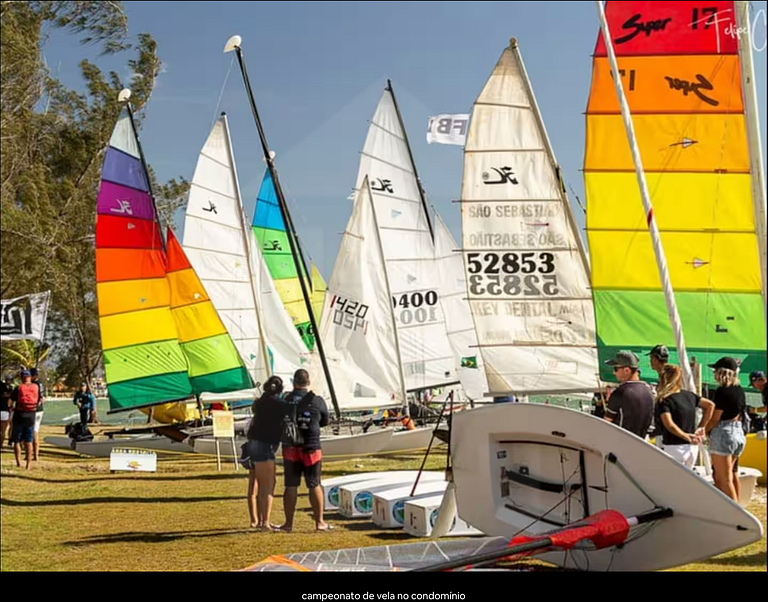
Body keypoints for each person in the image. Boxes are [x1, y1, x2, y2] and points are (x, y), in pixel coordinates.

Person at [278, 370, 333, 533]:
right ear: (308, 382)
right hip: (311, 447)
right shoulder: (317, 400)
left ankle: (288, 524)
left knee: (290, 485)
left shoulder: (285, 400)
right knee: (314, 483)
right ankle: (319, 522)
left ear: (293, 382)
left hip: (290, 447)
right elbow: (324, 420)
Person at [243, 376, 285, 531]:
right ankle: (265, 522)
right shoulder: (280, 404)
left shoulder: (259, 403)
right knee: (268, 485)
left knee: (259, 485)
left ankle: (260, 520)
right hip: (265, 444)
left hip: (253, 443)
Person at [655, 365, 715, 469]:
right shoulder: (690, 395)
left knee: (672, 481)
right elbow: (710, 405)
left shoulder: (664, 400)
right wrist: (701, 427)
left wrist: (685, 436)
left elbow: (669, 425)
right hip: (692, 447)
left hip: (673, 446)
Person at [705, 357, 748, 503]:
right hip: (738, 432)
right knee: (730, 475)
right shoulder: (739, 390)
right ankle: (738, 508)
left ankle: (737, 517)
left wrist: (703, 430)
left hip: (724, 433)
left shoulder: (722, 391)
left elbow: (716, 418)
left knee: (723, 479)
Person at [603, 351, 654, 440]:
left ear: (627, 370)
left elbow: (606, 423)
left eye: (615, 369)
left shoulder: (620, 392)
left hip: (622, 444)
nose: (614, 373)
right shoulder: (649, 391)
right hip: (643, 444)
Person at [10, 371, 39, 470]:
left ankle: (18, 462)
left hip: (19, 415)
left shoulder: (18, 388)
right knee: (29, 440)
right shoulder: (36, 387)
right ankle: (28, 464)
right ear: (30, 377)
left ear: (22, 378)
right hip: (31, 416)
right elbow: (39, 401)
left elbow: (10, 402)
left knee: (17, 440)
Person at [30, 368, 45, 461]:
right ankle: (35, 454)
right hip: (40, 410)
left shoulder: (35, 385)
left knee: (33, 432)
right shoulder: (40, 383)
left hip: (35, 410)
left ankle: (34, 454)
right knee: (35, 431)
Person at [1, 375, 14, 449]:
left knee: (11, 425)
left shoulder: (10, 388)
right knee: (4, 429)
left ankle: (10, 438)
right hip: (6, 409)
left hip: (9, 409)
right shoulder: (4, 387)